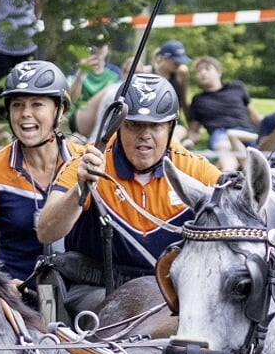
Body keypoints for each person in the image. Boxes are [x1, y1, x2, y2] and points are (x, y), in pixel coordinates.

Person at [35, 74, 223, 317]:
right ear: (118, 125)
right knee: (133, 312)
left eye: (155, 126)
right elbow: (46, 231)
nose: (145, 134)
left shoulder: (195, 168)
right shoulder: (88, 161)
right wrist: (81, 188)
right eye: (134, 124)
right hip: (95, 288)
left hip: (174, 291)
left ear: (171, 128)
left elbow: (244, 213)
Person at [0, 61, 84, 284]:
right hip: (14, 297)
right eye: (17, 105)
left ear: (60, 111)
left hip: (79, 294)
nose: (25, 114)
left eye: (37, 104)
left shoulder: (84, 163)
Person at [186, 55, 260, 170]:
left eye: (207, 68)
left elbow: (254, 116)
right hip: (221, 134)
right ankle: (231, 174)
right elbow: (193, 130)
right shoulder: (198, 99)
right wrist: (189, 142)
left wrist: (265, 130)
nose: (202, 73)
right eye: (199, 71)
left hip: (246, 132)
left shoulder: (236, 87)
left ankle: (227, 176)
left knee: (224, 158)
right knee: (224, 147)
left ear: (219, 72)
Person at [71, 38, 125, 137]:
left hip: (106, 119)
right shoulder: (79, 69)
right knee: (112, 88)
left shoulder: (114, 72)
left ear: (107, 49)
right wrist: (80, 73)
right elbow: (71, 99)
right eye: (95, 45)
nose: (98, 49)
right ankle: (96, 140)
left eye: (101, 46)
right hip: (80, 119)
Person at [153, 40, 192, 122]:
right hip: (152, 119)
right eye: (176, 62)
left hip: (173, 120)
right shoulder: (149, 73)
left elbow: (184, 102)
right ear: (165, 58)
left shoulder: (182, 73)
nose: (179, 64)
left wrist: (191, 127)